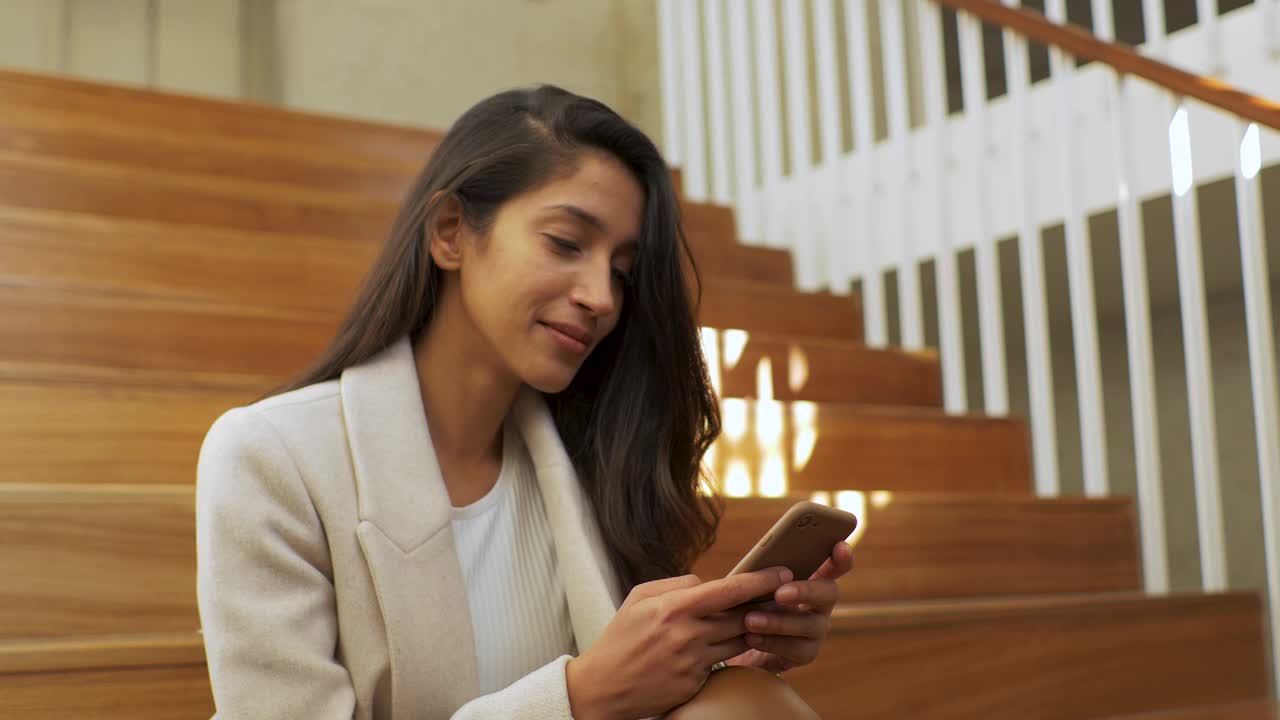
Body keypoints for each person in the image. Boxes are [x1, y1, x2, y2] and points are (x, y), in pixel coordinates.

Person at [195, 84, 854, 720]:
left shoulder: (593, 457)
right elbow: (595, 699)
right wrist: (580, 698)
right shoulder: (270, 458)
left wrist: (715, 657)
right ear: (450, 230)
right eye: (566, 243)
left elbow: (630, 699)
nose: (602, 297)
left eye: (622, 273)